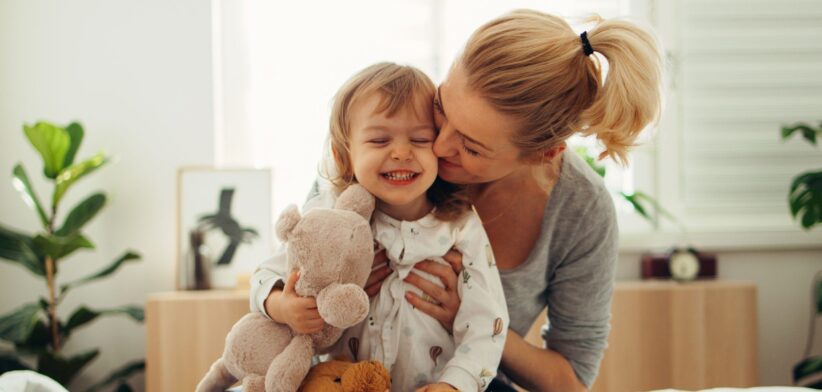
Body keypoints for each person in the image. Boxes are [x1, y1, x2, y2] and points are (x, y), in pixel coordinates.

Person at [251, 62, 509, 392]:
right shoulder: (329, 216)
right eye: (379, 140)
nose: (401, 152)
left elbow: (488, 323)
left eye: (419, 139)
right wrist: (282, 306)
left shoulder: (460, 225)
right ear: (343, 154)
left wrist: (455, 385)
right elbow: (265, 274)